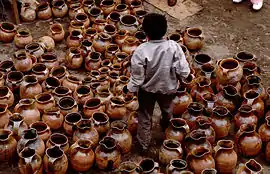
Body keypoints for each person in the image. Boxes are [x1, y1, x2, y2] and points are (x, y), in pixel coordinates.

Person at [126, 13, 190, 152]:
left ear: (145, 32)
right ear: (165, 30)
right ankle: (167, 128)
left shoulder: (141, 51)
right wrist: (183, 79)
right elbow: (183, 70)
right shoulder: (174, 47)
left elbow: (137, 77)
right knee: (167, 110)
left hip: (147, 91)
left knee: (144, 116)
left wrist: (130, 89)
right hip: (168, 89)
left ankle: (143, 144)